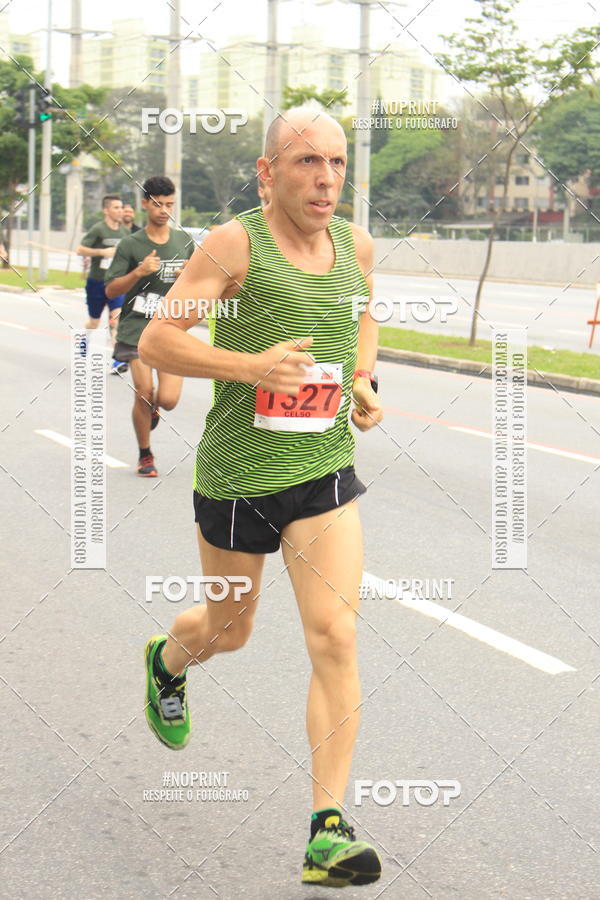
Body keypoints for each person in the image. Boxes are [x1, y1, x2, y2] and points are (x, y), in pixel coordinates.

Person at [138, 107, 384, 888]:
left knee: (335, 636)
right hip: (240, 479)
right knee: (228, 629)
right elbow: (158, 341)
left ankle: (326, 831)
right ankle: (169, 662)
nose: (325, 178)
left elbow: (362, 316)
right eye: (308, 161)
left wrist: (363, 379)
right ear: (268, 171)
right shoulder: (234, 243)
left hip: (324, 472)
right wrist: (252, 368)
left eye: (337, 163)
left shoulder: (357, 245)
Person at [104, 176, 194, 477]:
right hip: (136, 329)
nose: (164, 210)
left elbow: (201, 284)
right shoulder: (131, 244)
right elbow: (111, 290)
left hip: (170, 328)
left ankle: (154, 408)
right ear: (145, 204)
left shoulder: (184, 242)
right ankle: (145, 454)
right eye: (157, 204)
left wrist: (187, 278)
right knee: (144, 391)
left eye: (169, 204)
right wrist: (138, 273)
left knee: (167, 400)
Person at [77, 195, 129, 372]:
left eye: (121, 207)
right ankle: (84, 338)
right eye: (115, 207)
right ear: (106, 210)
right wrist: (102, 252)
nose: (120, 211)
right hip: (96, 282)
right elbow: (80, 249)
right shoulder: (98, 229)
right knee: (94, 322)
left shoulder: (125, 233)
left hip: (115, 284)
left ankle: (118, 360)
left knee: (116, 320)